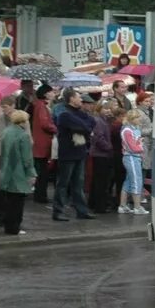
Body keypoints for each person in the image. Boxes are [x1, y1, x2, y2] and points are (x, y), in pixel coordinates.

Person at [53, 89, 96, 222]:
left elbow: (91, 123)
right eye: (78, 97)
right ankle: (57, 211)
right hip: (67, 153)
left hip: (80, 152)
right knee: (63, 183)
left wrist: (82, 127)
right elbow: (85, 126)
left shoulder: (79, 114)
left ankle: (81, 210)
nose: (81, 100)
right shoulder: (64, 114)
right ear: (71, 99)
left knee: (79, 183)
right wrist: (83, 127)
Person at [0, 109, 35, 235]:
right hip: (19, 172)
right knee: (18, 203)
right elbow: (27, 158)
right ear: (23, 121)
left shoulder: (6, 132)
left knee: (8, 201)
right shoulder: (23, 135)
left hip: (6, 170)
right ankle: (15, 227)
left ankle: (8, 226)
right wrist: (31, 173)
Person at [0, 95, 17, 222]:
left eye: (5, 107)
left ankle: (10, 215)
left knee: (11, 186)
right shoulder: (0, 118)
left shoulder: (19, 118)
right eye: (2, 107)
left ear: (13, 106)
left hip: (12, 155)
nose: (3, 110)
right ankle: (0, 214)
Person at [30, 84, 57, 204]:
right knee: (42, 172)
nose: (53, 94)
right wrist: (56, 128)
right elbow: (44, 123)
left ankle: (40, 194)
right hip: (42, 143)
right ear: (46, 93)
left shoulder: (41, 105)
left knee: (42, 171)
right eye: (51, 92)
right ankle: (41, 195)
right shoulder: (41, 106)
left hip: (41, 142)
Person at [89, 100, 116, 214]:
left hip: (101, 153)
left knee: (99, 181)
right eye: (105, 109)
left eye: (109, 109)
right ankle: (100, 206)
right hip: (101, 154)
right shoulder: (98, 121)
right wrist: (108, 147)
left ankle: (94, 203)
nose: (107, 111)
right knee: (101, 181)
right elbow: (99, 138)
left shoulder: (103, 120)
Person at [119, 109, 147, 214]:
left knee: (128, 181)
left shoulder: (135, 128)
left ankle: (123, 205)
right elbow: (132, 147)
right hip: (131, 157)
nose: (140, 119)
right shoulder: (127, 130)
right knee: (136, 181)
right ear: (132, 119)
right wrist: (141, 146)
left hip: (135, 157)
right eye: (138, 117)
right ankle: (137, 206)